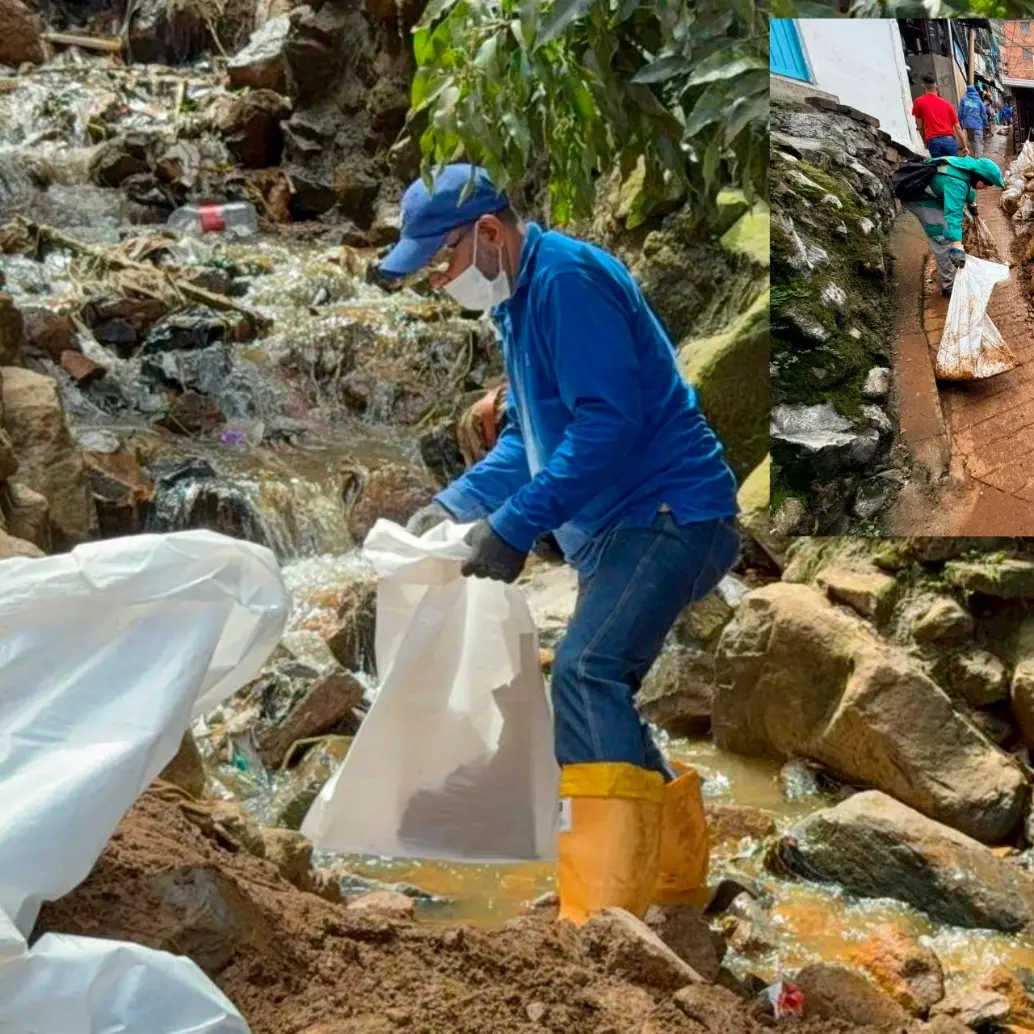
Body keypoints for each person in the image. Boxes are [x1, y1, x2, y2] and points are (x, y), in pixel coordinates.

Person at [380, 163, 740, 924]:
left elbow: (609, 425)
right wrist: (454, 506)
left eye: (441, 262)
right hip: (623, 529)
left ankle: (604, 911)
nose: (441, 281)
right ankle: (672, 888)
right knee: (598, 683)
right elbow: (528, 443)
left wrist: (512, 528)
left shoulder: (567, 281)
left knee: (585, 674)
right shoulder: (519, 301)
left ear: (487, 233)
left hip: (671, 514)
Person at [903, 155, 1004, 296]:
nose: (986, 188)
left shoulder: (966, 167)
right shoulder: (956, 182)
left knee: (954, 226)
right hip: (919, 200)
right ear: (978, 176)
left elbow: (968, 188)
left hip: (936, 194)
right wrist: (957, 246)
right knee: (943, 239)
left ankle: (949, 271)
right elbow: (953, 215)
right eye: (986, 184)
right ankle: (949, 287)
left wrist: (972, 204)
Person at [913, 74, 969, 157]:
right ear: (937, 87)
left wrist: (925, 142)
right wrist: (965, 146)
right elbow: (958, 127)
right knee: (953, 167)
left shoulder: (919, 102)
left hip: (933, 141)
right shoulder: (947, 105)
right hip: (949, 141)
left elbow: (920, 126)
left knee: (939, 167)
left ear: (923, 86)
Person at [959, 85, 987, 158]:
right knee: (979, 145)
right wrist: (985, 123)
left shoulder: (963, 100)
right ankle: (979, 162)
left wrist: (960, 124)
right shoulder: (979, 101)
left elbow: (960, 113)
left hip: (967, 126)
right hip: (977, 125)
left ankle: (976, 158)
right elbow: (983, 114)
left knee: (973, 143)